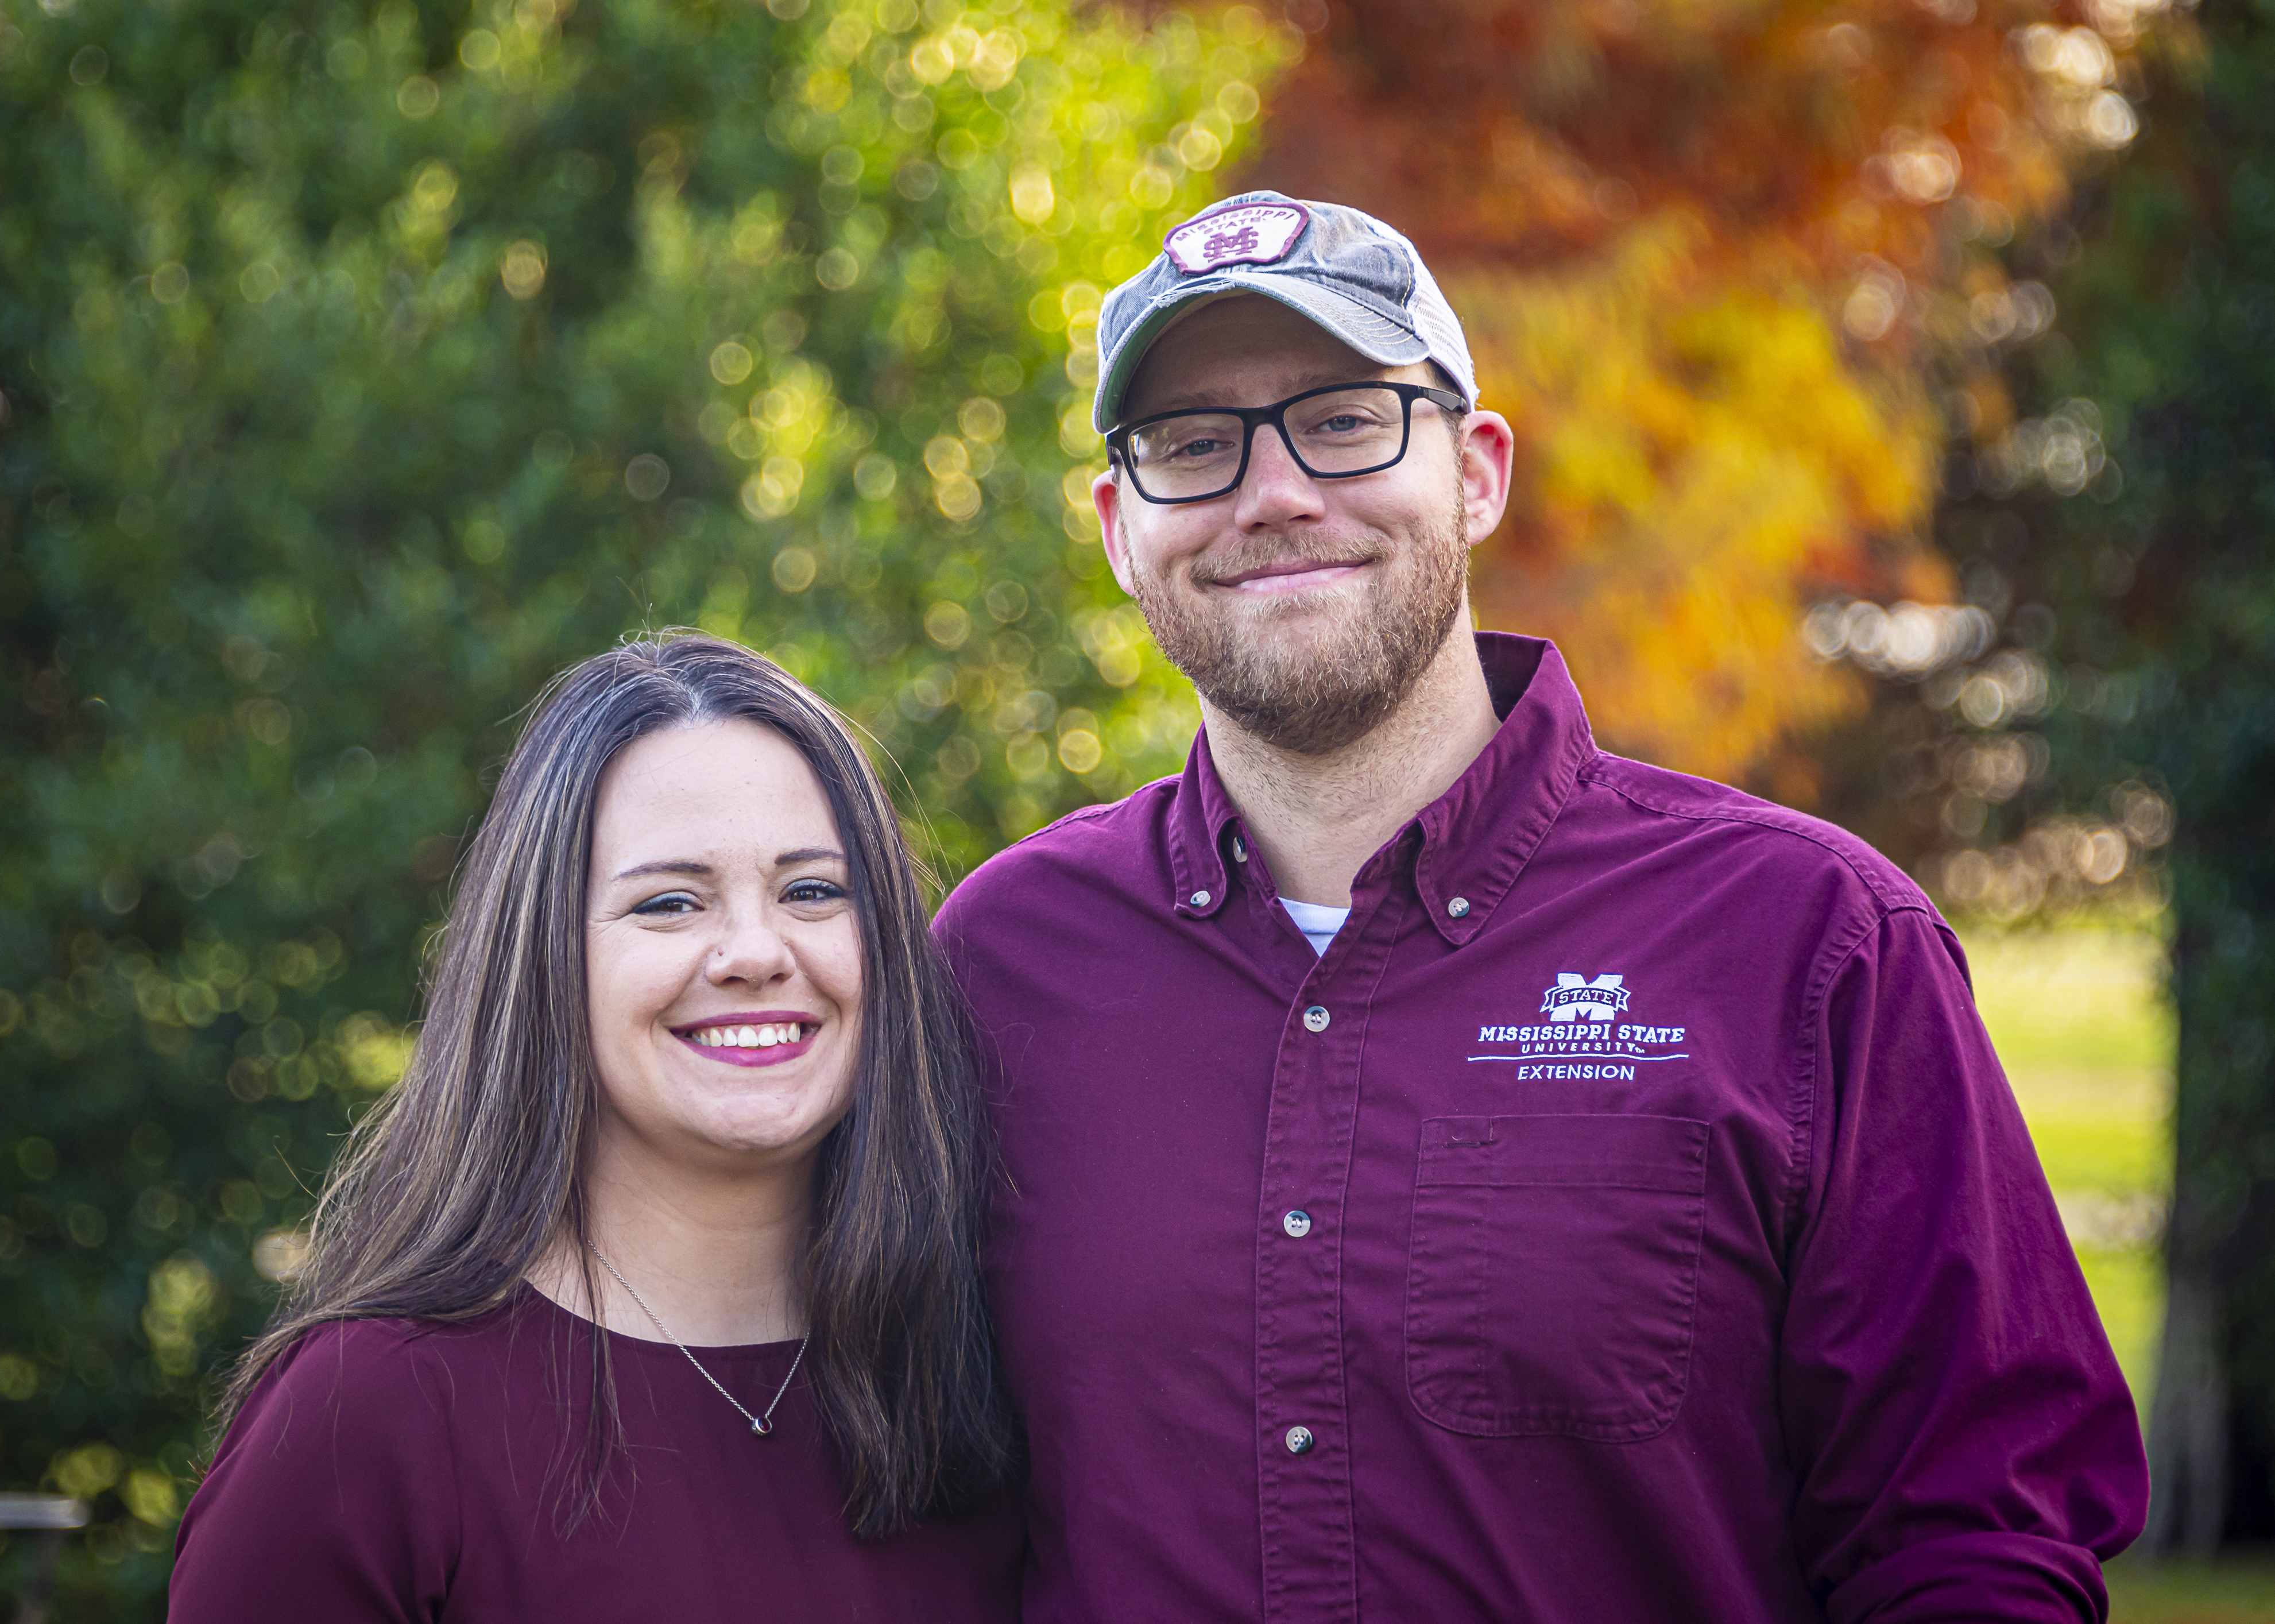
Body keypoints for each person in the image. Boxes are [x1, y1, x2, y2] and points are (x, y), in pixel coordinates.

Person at [932, 191, 2148, 1621]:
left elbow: (1974, 1537)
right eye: (1193, 447)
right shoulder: (1000, 964)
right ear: (1119, 528)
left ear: (1478, 472)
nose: (1272, 494)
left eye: (1342, 419)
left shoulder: (1810, 945)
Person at [172, 634, 1020, 1621]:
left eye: (813, 891)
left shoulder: (982, 1388)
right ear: (543, 959)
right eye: (668, 902)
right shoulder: (364, 1421)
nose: (755, 950)